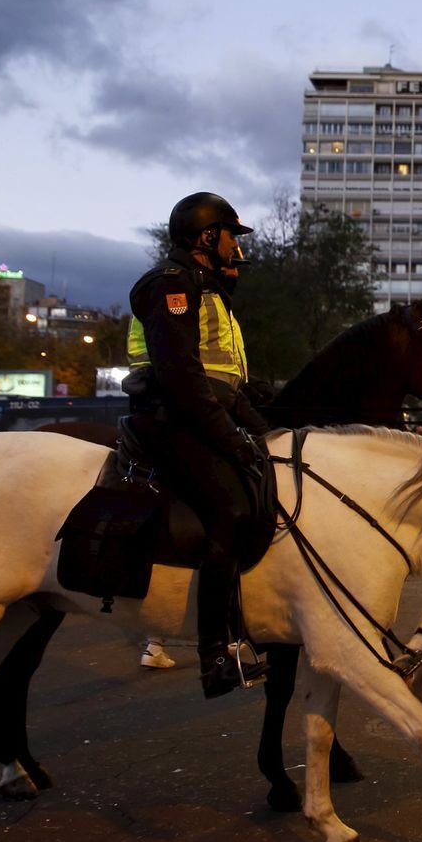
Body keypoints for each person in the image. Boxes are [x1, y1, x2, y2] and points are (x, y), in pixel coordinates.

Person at [124, 191, 273, 699]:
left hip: (201, 416)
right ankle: (215, 654)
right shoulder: (173, 285)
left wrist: (271, 434)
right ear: (209, 236)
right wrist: (230, 437)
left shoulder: (207, 289)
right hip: (172, 419)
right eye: (232, 234)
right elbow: (184, 378)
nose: (237, 246)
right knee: (230, 509)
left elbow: (227, 383)